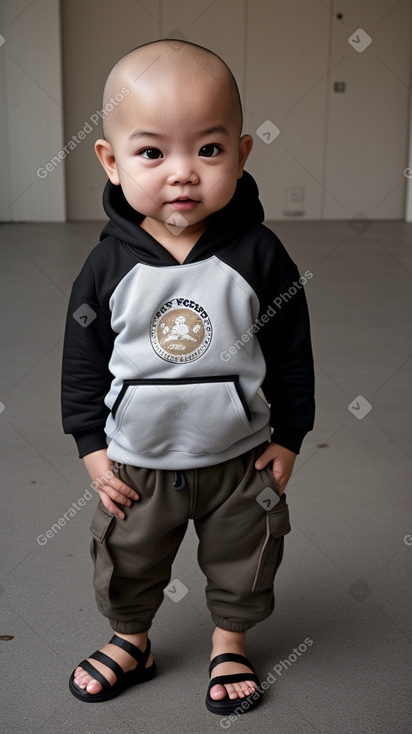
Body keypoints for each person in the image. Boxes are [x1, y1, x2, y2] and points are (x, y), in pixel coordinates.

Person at [61, 38, 315, 716]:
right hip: (138, 461)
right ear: (110, 161)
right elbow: (82, 361)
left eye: (207, 150)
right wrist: (92, 448)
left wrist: (289, 435)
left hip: (237, 456)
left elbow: (291, 351)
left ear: (240, 152)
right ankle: (131, 639)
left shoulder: (258, 254)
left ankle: (228, 641)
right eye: (152, 152)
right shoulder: (108, 266)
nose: (182, 174)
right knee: (127, 558)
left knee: (245, 555)